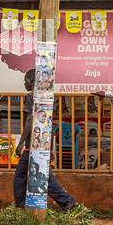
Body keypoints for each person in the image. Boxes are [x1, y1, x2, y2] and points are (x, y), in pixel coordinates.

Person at [13, 69, 77, 210]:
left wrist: (21, 143)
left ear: (32, 82)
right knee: (33, 176)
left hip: (33, 145)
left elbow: (30, 119)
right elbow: (50, 123)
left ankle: (66, 202)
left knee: (31, 177)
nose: (24, 83)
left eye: (26, 80)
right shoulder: (47, 97)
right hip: (43, 143)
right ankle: (21, 204)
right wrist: (51, 147)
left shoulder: (31, 97)